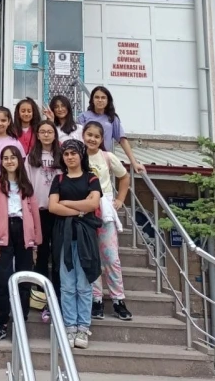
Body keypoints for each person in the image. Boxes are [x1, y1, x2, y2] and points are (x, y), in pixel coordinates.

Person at [49, 139, 102, 350]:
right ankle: (69, 325)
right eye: (66, 154)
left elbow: (93, 204)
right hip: (63, 234)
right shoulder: (59, 179)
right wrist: (81, 210)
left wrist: (68, 204)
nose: (70, 157)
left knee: (84, 283)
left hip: (85, 236)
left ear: (81, 155)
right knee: (67, 284)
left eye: (73, 153)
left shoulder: (91, 178)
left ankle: (83, 327)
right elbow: (53, 207)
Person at [0, 145, 42, 341]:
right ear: (1, 162)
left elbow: (34, 214)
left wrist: (35, 243)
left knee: (24, 279)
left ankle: (20, 323)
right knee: (3, 280)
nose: (9, 161)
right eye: (5, 158)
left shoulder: (26, 185)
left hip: (24, 232)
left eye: (13, 157)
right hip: (4, 232)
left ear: (19, 160)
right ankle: (1, 323)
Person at [83, 121, 133, 321]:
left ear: (102, 139)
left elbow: (124, 177)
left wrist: (120, 199)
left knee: (111, 257)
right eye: (89, 135)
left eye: (96, 136)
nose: (92, 139)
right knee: (92, 256)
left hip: (104, 212)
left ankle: (118, 299)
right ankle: (96, 299)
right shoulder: (77, 155)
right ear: (83, 135)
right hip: (85, 212)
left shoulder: (107, 157)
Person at [25, 119, 62, 322]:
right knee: (41, 255)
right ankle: (39, 298)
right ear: (37, 135)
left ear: (55, 135)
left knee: (57, 255)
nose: (46, 135)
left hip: (57, 211)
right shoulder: (31, 157)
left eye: (50, 131)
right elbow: (27, 184)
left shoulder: (62, 156)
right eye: (43, 131)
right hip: (38, 211)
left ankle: (56, 298)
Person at [76, 86, 145, 174]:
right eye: (97, 97)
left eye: (103, 98)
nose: (100, 100)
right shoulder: (83, 116)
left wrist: (134, 162)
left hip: (102, 159)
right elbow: (77, 138)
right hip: (84, 157)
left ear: (108, 100)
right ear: (92, 100)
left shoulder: (112, 118)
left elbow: (122, 140)